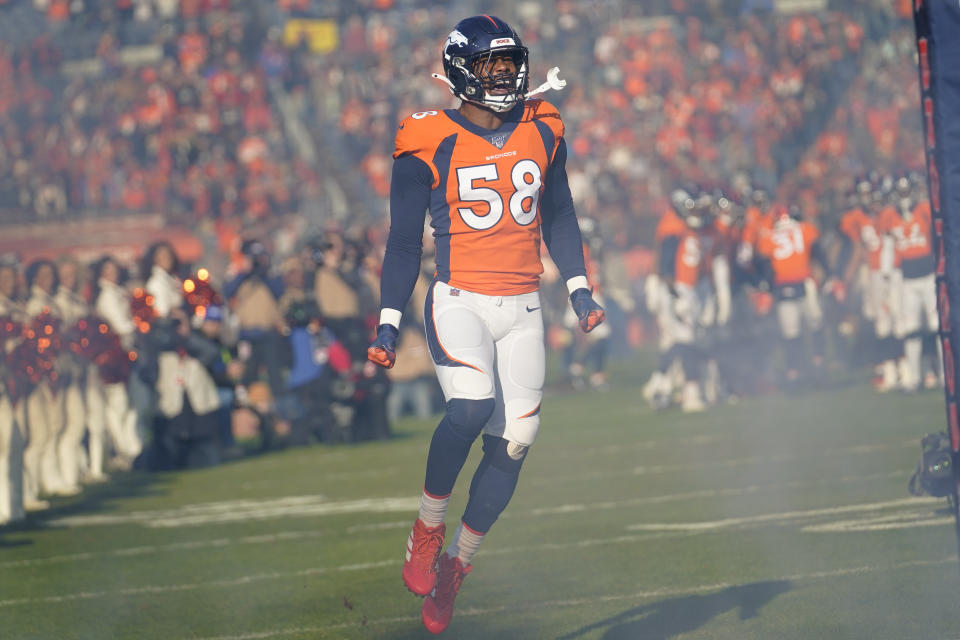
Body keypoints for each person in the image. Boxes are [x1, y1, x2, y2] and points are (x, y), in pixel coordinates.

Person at [366, 15, 604, 635]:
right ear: (460, 70)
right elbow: (400, 243)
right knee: (470, 409)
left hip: (525, 306)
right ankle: (426, 527)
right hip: (460, 299)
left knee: (515, 442)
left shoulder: (543, 126)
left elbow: (560, 213)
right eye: (492, 66)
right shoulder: (425, 136)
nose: (504, 76)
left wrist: (579, 288)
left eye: (509, 64)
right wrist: (388, 321)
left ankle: (456, 569)